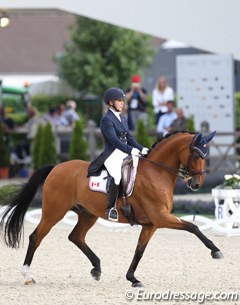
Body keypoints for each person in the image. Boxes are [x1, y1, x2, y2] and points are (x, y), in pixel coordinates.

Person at [87, 87, 149, 222]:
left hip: (124, 151)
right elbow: (114, 141)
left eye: (123, 101)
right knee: (116, 175)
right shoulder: (106, 120)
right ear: (110, 103)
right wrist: (131, 150)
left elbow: (130, 139)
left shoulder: (123, 118)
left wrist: (141, 148)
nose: (122, 103)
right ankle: (111, 208)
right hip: (112, 154)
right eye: (119, 101)